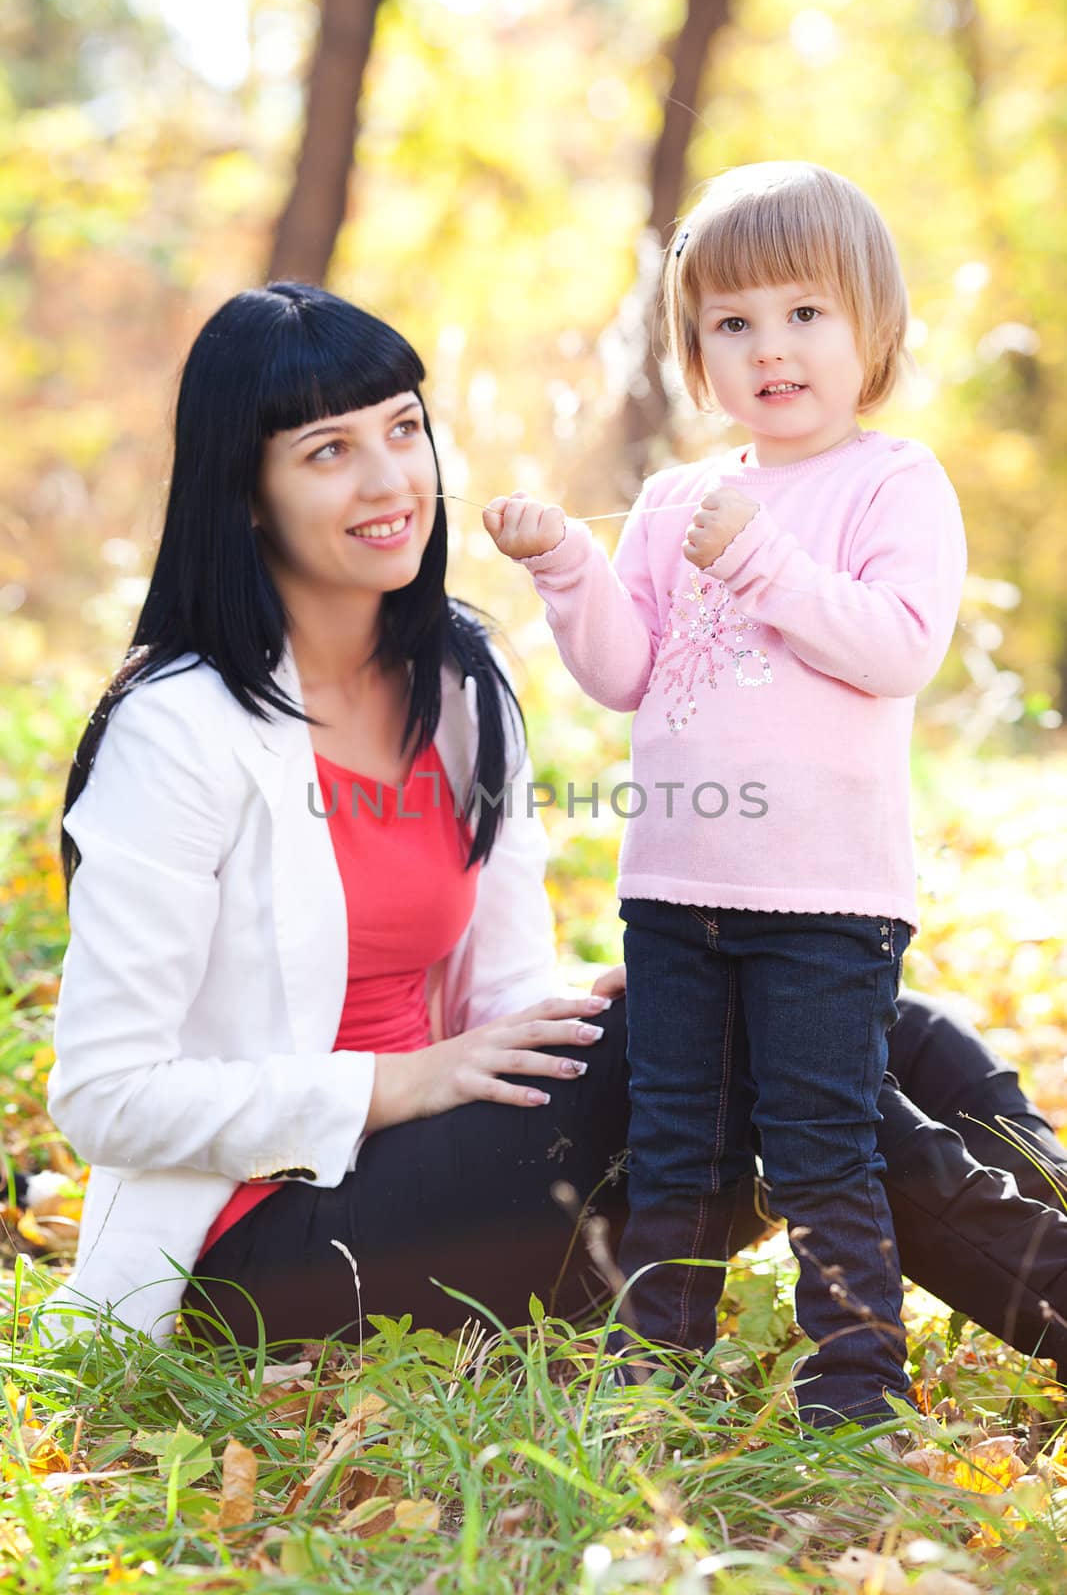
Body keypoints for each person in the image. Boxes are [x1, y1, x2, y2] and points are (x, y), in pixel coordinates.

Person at [38, 283, 1067, 1407]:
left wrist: (599, 1003)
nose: (390, 480)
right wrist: (401, 1081)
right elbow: (105, 1094)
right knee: (749, 1037)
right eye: (328, 451)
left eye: (401, 429)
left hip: (464, 1176)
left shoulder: (455, 679)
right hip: (262, 1239)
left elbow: (506, 988)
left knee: (871, 1019)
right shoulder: (177, 729)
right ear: (245, 492)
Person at [483, 162, 968, 1428]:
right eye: (731, 324)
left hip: (821, 895)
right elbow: (625, 673)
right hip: (673, 889)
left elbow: (895, 645)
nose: (771, 349)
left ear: (872, 325)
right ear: (693, 349)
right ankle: (659, 1363)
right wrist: (571, 570)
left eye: (805, 315)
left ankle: (855, 1385)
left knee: (819, 1146)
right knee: (675, 1147)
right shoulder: (672, 497)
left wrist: (758, 558)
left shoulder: (891, 480)